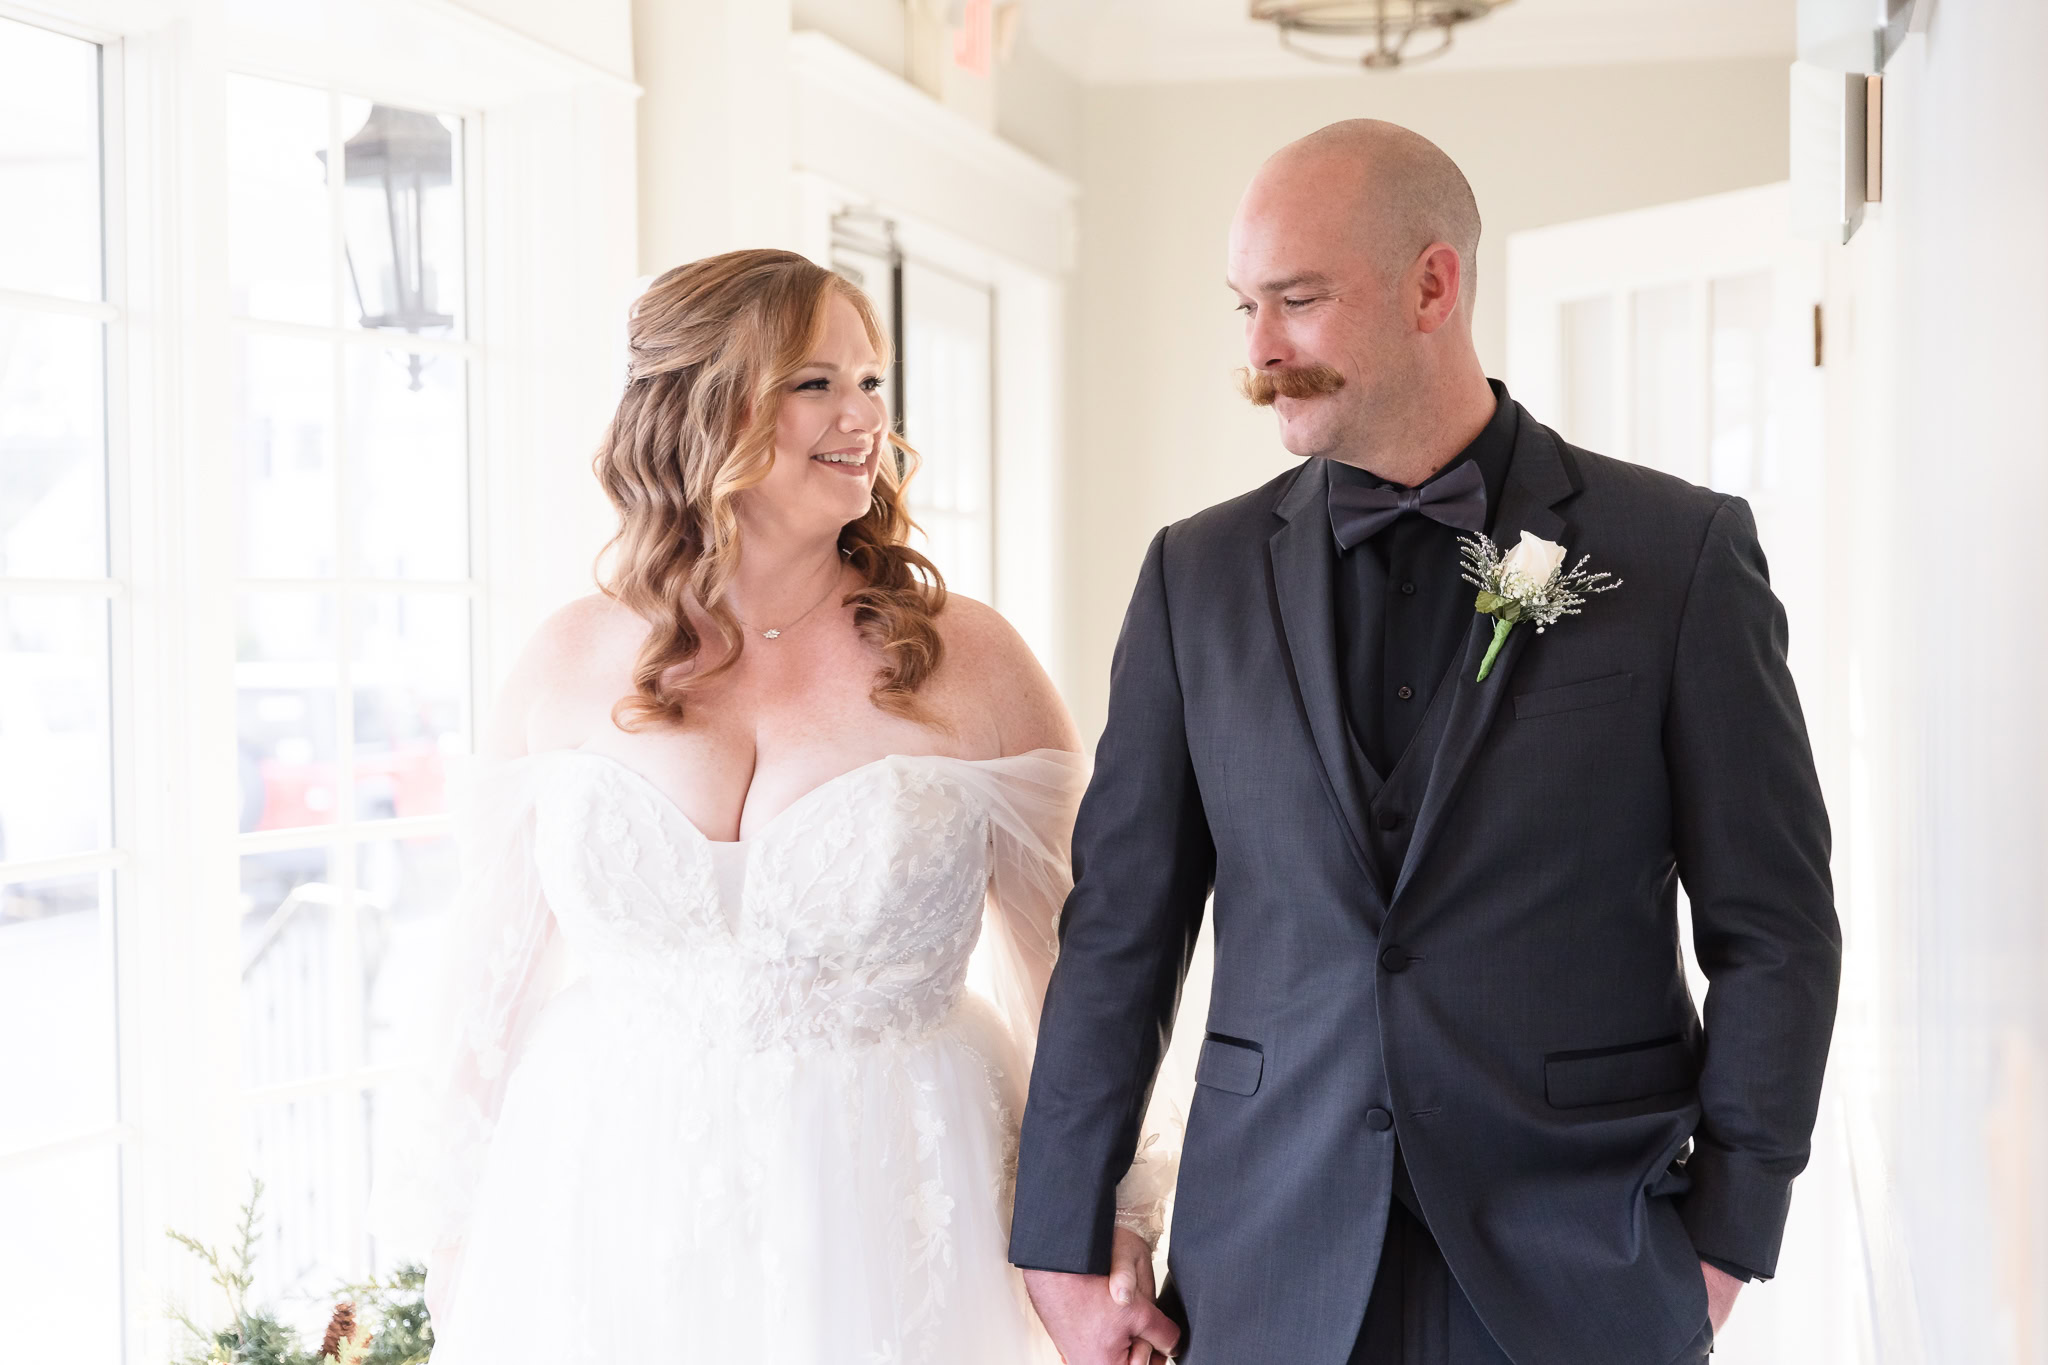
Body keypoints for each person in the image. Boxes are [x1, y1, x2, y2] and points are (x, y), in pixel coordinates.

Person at [1009, 120, 1842, 1365]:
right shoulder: (1196, 576)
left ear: (1432, 285)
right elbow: (1121, 927)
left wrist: (1727, 1234)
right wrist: (1060, 1243)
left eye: (1295, 301)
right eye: (1243, 306)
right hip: (1264, 1263)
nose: (1258, 351)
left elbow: (1773, 928)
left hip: (1579, 1264)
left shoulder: (1675, 554)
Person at [407, 249, 1163, 1363]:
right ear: (700, 407)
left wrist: (1112, 1219)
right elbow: (486, 993)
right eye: (815, 382)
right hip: (600, 1216)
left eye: (871, 381)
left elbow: (1082, 979)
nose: (862, 416)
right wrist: (458, 1244)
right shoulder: (564, 659)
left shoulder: (972, 661)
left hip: (899, 1203)